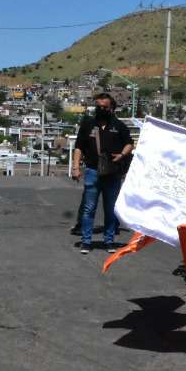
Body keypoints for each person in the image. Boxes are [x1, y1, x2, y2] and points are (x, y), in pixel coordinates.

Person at [71, 92, 132, 255]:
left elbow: (129, 144)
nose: (100, 109)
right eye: (98, 106)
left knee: (111, 209)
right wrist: (76, 167)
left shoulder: (119, 126)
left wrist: (122, 155)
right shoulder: (88, 124)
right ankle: (86, 241)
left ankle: (109, 241)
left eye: (104, 107)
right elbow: (78, 147)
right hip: (92, 171)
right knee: (88, 208)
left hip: (112, 173)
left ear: (111, 108)